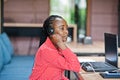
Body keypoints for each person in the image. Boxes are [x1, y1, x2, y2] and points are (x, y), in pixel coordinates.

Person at [29, 15, 81, 80]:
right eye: (62, 28)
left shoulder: (55, 47)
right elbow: (76, 67)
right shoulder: (47, 51)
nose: (66, 32)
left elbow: (58, 74)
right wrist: (61, 44)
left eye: (66, 28)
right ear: (51, 31)